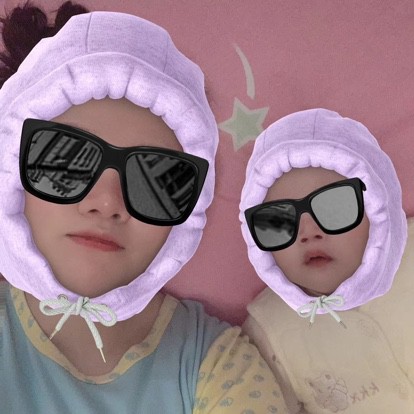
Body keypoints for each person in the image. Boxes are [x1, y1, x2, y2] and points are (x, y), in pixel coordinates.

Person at [0, 2, 289, 413]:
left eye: (156, 178)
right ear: (10, 176)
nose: (107, 202)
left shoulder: (222, 363)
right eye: (64, 160)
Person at [239, 108, 413, 413]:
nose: (308, 232)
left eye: (334, 208)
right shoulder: (269, 331)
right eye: (279, 221)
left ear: (376, 209)